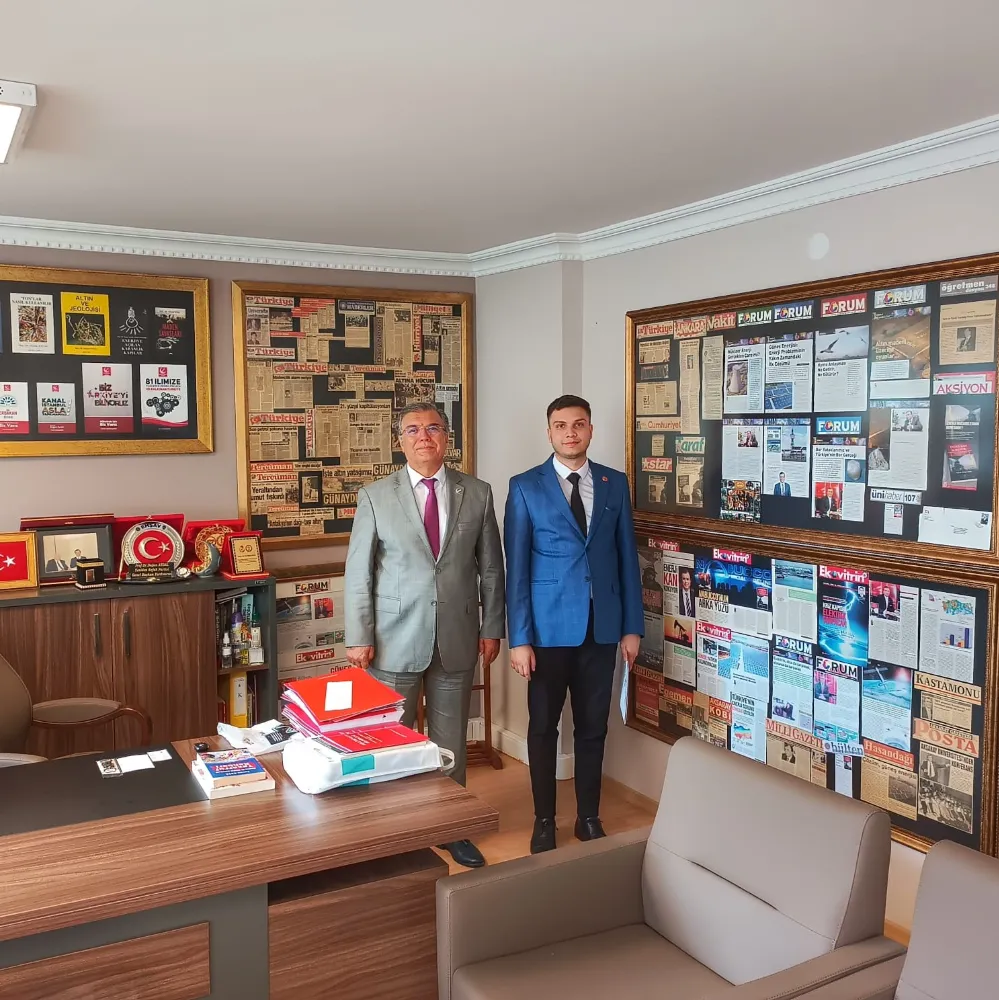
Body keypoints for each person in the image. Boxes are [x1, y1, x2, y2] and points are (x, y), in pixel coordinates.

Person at [344, 402, 505, 870]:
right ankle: (395, 830)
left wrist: (492, 627)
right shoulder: (375, 496)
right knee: (392, 739)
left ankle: (451, 827)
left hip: (458, 634)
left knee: (449, 739)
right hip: (392, 639)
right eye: (413, 430)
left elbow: (491, 569)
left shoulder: (477, 493)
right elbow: (358, 572)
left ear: (446, 437)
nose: (423, 437)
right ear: (400, 441)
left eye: (433, 428)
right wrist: (358, 634)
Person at [504, 395, 643, 854]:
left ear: (590, 430)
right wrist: (519, 638)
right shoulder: (525, 486)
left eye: (578, 424)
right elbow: (516, 569)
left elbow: (626, 559)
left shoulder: (613, 483)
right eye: (561, 425)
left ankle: (588, 818)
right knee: (543, 727)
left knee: (593, 727)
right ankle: (545, 820)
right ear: (549, 432)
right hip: (546, 633)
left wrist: (631, 627)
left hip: (601, 629)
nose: (570, 433)